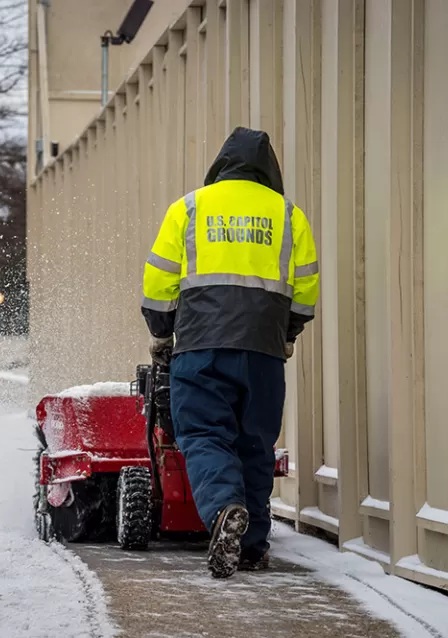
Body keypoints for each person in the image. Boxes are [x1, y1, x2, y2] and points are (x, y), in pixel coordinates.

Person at [140, 127, 319, 578]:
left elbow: (159, 280)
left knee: (202, 434)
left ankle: (223, 510)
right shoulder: (288, 215)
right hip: (263, 352)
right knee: (256, 444)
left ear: (220, 165)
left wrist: (162, 332)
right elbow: (306, 290)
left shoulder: (190, 207)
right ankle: (254, 546)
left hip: (200, 347)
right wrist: (288, 333)